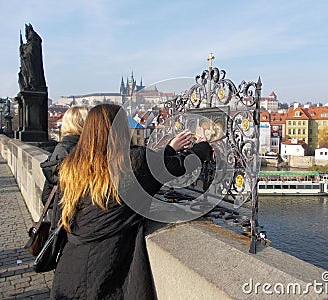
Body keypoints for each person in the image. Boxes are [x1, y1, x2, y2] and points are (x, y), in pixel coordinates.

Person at [51, 104, 212, 299]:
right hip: (109, 269)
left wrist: (169, 149)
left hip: (69, 268)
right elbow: (177, 166)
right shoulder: (133, 163)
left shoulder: (70, 166)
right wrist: (204, 147)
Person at [41, 106, 89, 227]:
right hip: (75, 222)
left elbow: (46, 196)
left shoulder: (60, 148)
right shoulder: (78, 151)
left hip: (60, 217)